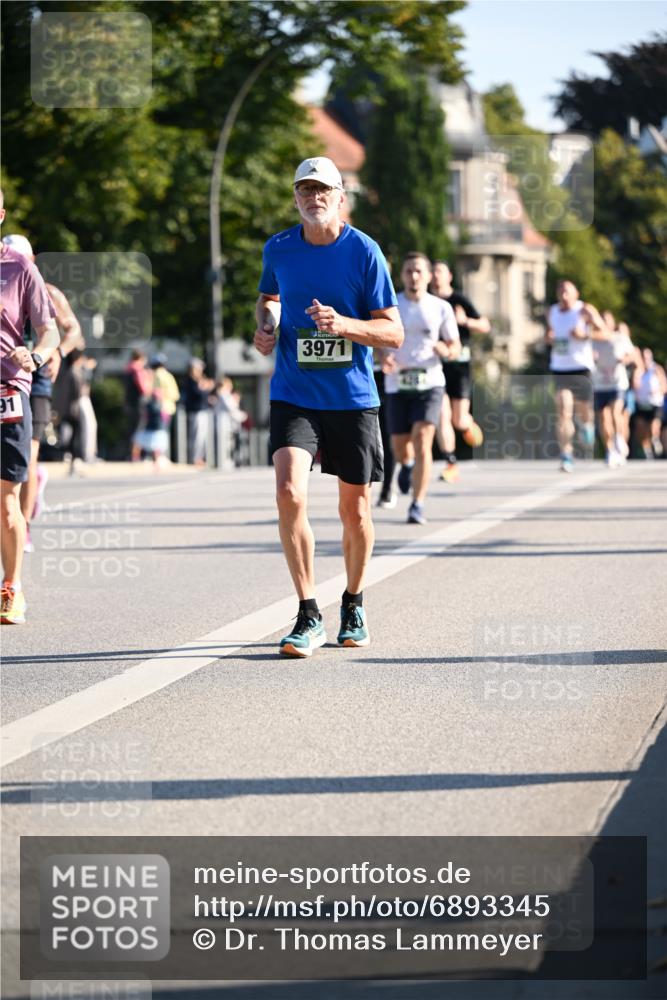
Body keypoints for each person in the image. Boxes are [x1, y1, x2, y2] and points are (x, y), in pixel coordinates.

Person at [254, 156, 403, 657]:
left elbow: (393, 332)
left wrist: (343, 325)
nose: (313, 198)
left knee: (354, 509)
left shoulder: (364, 252)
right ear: (295, 197)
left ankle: (354, 602)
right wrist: (267, 325)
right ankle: (308, 613)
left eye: (323, 190)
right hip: (294, 392)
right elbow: (269, 297)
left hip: (352, 397)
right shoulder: (279, 247)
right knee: (288, 491)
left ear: (341, 198)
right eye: (305, 189)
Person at [0, 190, 60, 624]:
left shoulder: (20, 267)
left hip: (7, 390)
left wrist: (35, 356)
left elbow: (49, 330)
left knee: (7, 499)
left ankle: (12, 588)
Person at [2, 234, 83, 549]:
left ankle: (24, 527)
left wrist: (56, 352)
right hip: (6, 371)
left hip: (36, 376)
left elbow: (72, 329)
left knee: (30, 453)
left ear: (32, 259)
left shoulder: (47, 291)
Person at [382, 253, 459, 524]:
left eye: (418, 271)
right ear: (402, 276)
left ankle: (417, 504)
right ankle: (407, 464)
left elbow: (455, 346)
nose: (413, 276)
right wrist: (383, 357)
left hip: (431, 382)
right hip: (397, 383)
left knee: (423, 439)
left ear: (428, 276)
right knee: (401, 447)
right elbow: (377, 340)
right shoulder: (390, 305)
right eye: (408, 271)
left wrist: (446, 350)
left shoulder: (441, 307)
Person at [430, 260, 490, 483]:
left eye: (440, 271)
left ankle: (467, 423)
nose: (436, 275)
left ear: (449, 276)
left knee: (459, 420)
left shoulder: (459, 299)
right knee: (441, 415)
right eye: (433, 272)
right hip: (436, 366)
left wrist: (465, 321)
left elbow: (485, 325)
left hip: (460, 367)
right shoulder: (427, 302)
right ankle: (451, 463)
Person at [546, 280, 606, 472]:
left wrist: (585, 335)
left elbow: (605, 333)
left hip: (581, 368)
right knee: (563, 411)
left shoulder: (584, 310)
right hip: (559, 368)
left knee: (583, 412)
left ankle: (587, 426)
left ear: (576, 294)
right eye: (561, 292)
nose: (564, 296)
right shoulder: (552, 311)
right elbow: (550, 334)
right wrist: (549, 337)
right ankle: (566, 455)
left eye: (567, 292)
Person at [592, 311, 634, 466]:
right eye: (601, 320)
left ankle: (619, 439)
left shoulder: (620, 338)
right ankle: (610, 450)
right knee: (604, 418)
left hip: (617, 383)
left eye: (606, 320)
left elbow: (632, 355)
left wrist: (624, 359)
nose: (603, 323)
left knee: (616, 411)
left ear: (612, 323)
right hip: (600, 383)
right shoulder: (592, 340)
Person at [633, 348, 667, 459]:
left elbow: (664, 386)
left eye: (647, 358)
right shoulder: (638, 371)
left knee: (653, 427)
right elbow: (634, 386)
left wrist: (657, 391)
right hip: (642, 404)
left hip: (655, 403)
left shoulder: (656, 369)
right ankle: (647, 450)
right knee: (641, 429)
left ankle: (655, 439)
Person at [182, 358, 214, 466]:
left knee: (203, 437)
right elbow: (199, 394)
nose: (200, 370)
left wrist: (206, 387)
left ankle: (200, 457)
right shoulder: (190, 381)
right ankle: (195, 458)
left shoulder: (198, 380)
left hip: (203, 411)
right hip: (196, 412)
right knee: (196, 437)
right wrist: (205, 388)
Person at [126, 349, 152, 460]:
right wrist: (149, 379)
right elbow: (144, 389)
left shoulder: (128, 369)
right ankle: (135, 455)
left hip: (130, 403)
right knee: (139, 429)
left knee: (132, 428)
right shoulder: (138, 370)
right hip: (139, 404)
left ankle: (132, 454)